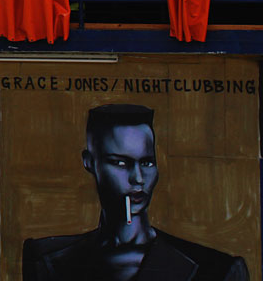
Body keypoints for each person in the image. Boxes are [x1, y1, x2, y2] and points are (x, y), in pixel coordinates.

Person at [23, 104, 248, 281]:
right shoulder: (45, 258)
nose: (138, 179)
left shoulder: (217, 269)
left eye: (147, 163)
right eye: (121, 163)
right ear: (90, 162)